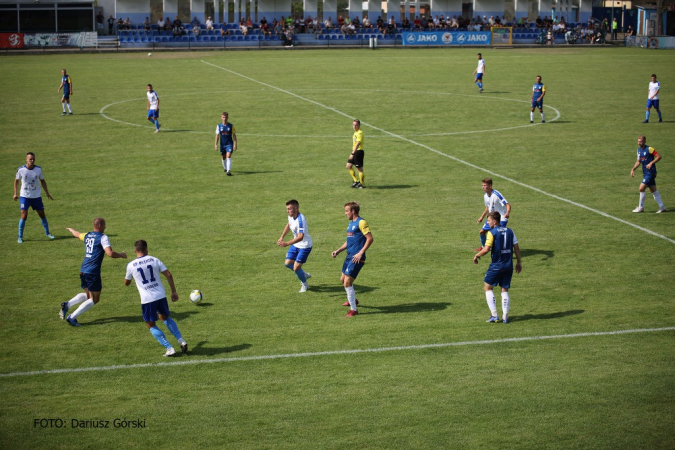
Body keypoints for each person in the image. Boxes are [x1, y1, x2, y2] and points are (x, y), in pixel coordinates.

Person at [59, 218, 128, 326]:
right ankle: (72, 317)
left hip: (83, 270)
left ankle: (67, 305)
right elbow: (110, 253)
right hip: (93, 272)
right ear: (100, 225)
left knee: (88, 295)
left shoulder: (87, 235)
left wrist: (71, 230)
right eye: (104, 225)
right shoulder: (103, 237)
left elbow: (77, 234)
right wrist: (121, 255)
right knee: (94, 299)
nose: (105, 227)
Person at [124, 240, 187, 357]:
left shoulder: (131, 265)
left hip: (147, 299)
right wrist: (173, 292)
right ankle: (181, 340)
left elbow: (126, 283)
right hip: (160, 295)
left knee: (150, 324)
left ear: (134, 250)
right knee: (165, 318)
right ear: (146, 249)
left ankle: (169, 348)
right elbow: (168, 274)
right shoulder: (154, 260)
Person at [473, 211, 522, 324]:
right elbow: (517, 248)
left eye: (489, 221)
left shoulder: (492, 232)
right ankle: (505, 317)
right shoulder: (510, 231)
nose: (488, 223)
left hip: (496, 265)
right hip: (508, 265)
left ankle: (494, 315)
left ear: (495, 221)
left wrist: (476, 255)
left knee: (487, 288)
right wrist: (519, 262)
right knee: (504, 289)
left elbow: (486, 249)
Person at [331, 202, 374, 317]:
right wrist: (338, 250)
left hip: (357, 258)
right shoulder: (351, 224)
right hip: (349, 256)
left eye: (347, 211)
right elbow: (349, 241)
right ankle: (353, 300)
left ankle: (353, 310)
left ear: (353, 211)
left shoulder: (361, 222)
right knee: (342, 280)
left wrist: (360, 253)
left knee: (347, 282)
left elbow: (370, 239)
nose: (345, 214)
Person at [14, 152, 55, 243]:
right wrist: (15, 193)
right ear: (26, 159)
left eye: (33, 159)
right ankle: (20, 237)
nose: (32, 161)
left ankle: (48, 233)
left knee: (42, 214)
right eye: (30, 159)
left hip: (36, 196)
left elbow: (42, 181)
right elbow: (16, 181)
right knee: (24, 215)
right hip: (25, 196)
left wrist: (47, 193)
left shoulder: (38, 169)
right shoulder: (21, 170)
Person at [277, 200, 313, 293]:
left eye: (289, 209)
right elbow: (289, 225)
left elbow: (301, 237)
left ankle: (305, 284)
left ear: (296, 208)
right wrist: (282, 237)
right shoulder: (291, 217)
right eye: (287, 209)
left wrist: (286, 243)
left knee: (296, 267)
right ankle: (304, 274)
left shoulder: (301, 220)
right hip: (296, 245)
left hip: (304, 246)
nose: (287, 211)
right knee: (288, 263)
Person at [631, 135, 666, 213]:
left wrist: (651, 163)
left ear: (644, 141)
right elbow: (638, 161)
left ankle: (641, 207)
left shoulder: (649, 149)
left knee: (641, 188)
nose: (639, 143)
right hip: (646, 173)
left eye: (641, 141)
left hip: (651, 172)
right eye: (638, 141)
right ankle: (662, 207)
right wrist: (633, 169)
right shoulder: (639, 150)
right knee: (653, 190)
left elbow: (659, 156)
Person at [476, 178, 510, 251]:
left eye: (485, 185)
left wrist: (507, 213)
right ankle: (484, 247)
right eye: (482, 185)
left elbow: (508, 205)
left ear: (490, 186)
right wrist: (481, 217)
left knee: (498, 234)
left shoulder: (497, 194)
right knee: (482, 232)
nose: (483, 187)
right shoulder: (485, 195)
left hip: (501, 218)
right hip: (492, 217)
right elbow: (488, 207)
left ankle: (502, 250)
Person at [347, 119, 365, 188]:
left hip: (358, 152)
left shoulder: (359, 133)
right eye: (353, 125)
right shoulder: (356, 132)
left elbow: (357, 144)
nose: (354, 126)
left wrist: (352, 154)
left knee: (359, 169)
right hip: (355, 151)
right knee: (348, 166)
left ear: (359, 125)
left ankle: (362, 184)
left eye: (356, 125)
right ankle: (356, 181)